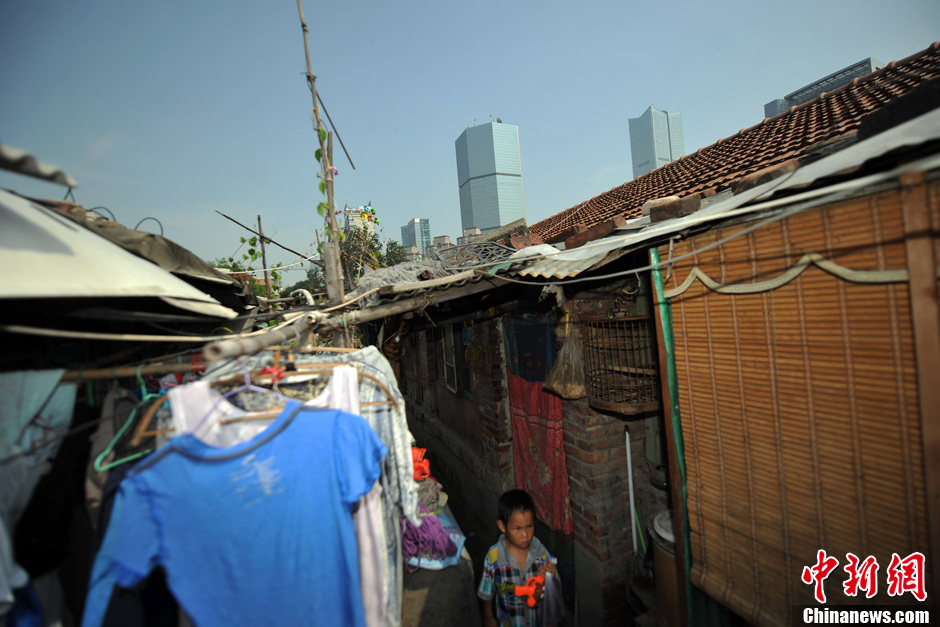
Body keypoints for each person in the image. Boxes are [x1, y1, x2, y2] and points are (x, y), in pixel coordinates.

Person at [477, 489, 559, 627]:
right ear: (502, 526)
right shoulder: (494, 557)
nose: (525, 535)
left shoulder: (542, 555)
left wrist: (550, 579)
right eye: (518, 529)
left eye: (529, 526)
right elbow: (487, 592)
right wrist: (488, 618)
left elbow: (556, 589)